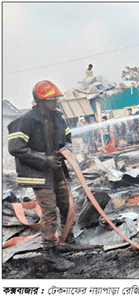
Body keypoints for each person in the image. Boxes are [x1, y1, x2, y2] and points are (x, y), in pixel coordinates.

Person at [8, 80, 75, 271]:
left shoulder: (58, 118)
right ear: (40, 101)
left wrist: (66, 150)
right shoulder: (26, 121)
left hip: (57, 171)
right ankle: (49, 252)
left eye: (56, 98)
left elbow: (68, 138)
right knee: (49, 211)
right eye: (52, 99)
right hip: (38, 173)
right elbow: (16, 148)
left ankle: (67, 239)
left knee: (66, 205)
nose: (56, 101)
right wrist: (45, 160)